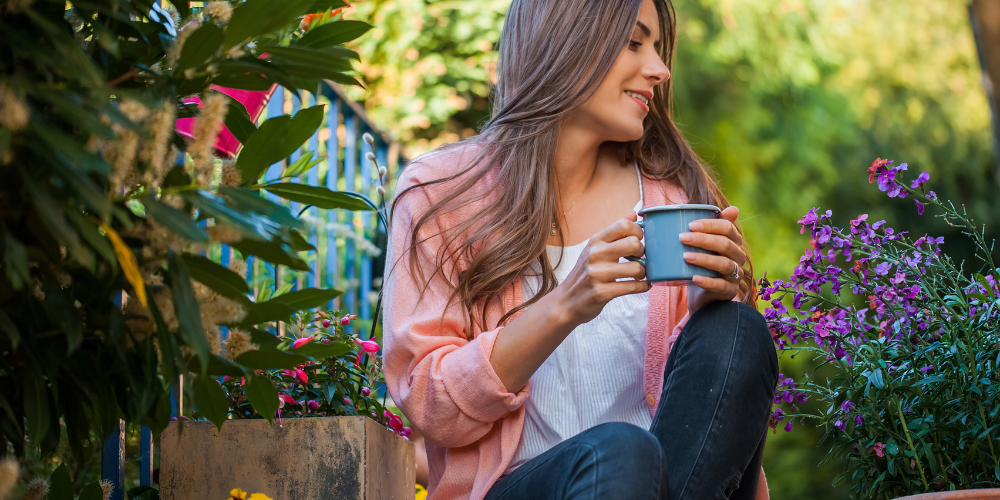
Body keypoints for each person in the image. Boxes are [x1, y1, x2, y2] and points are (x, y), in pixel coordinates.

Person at [381, 0, 778, 498]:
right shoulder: (442, 192)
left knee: (735, 329)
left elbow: (720, 446)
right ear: (565, 39)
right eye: (634, 43)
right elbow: (431, 405)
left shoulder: (672, 205)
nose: (660, 70)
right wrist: (565, 305)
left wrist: (704, 309)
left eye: (658, 48)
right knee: (619, 450)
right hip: (521, 489)